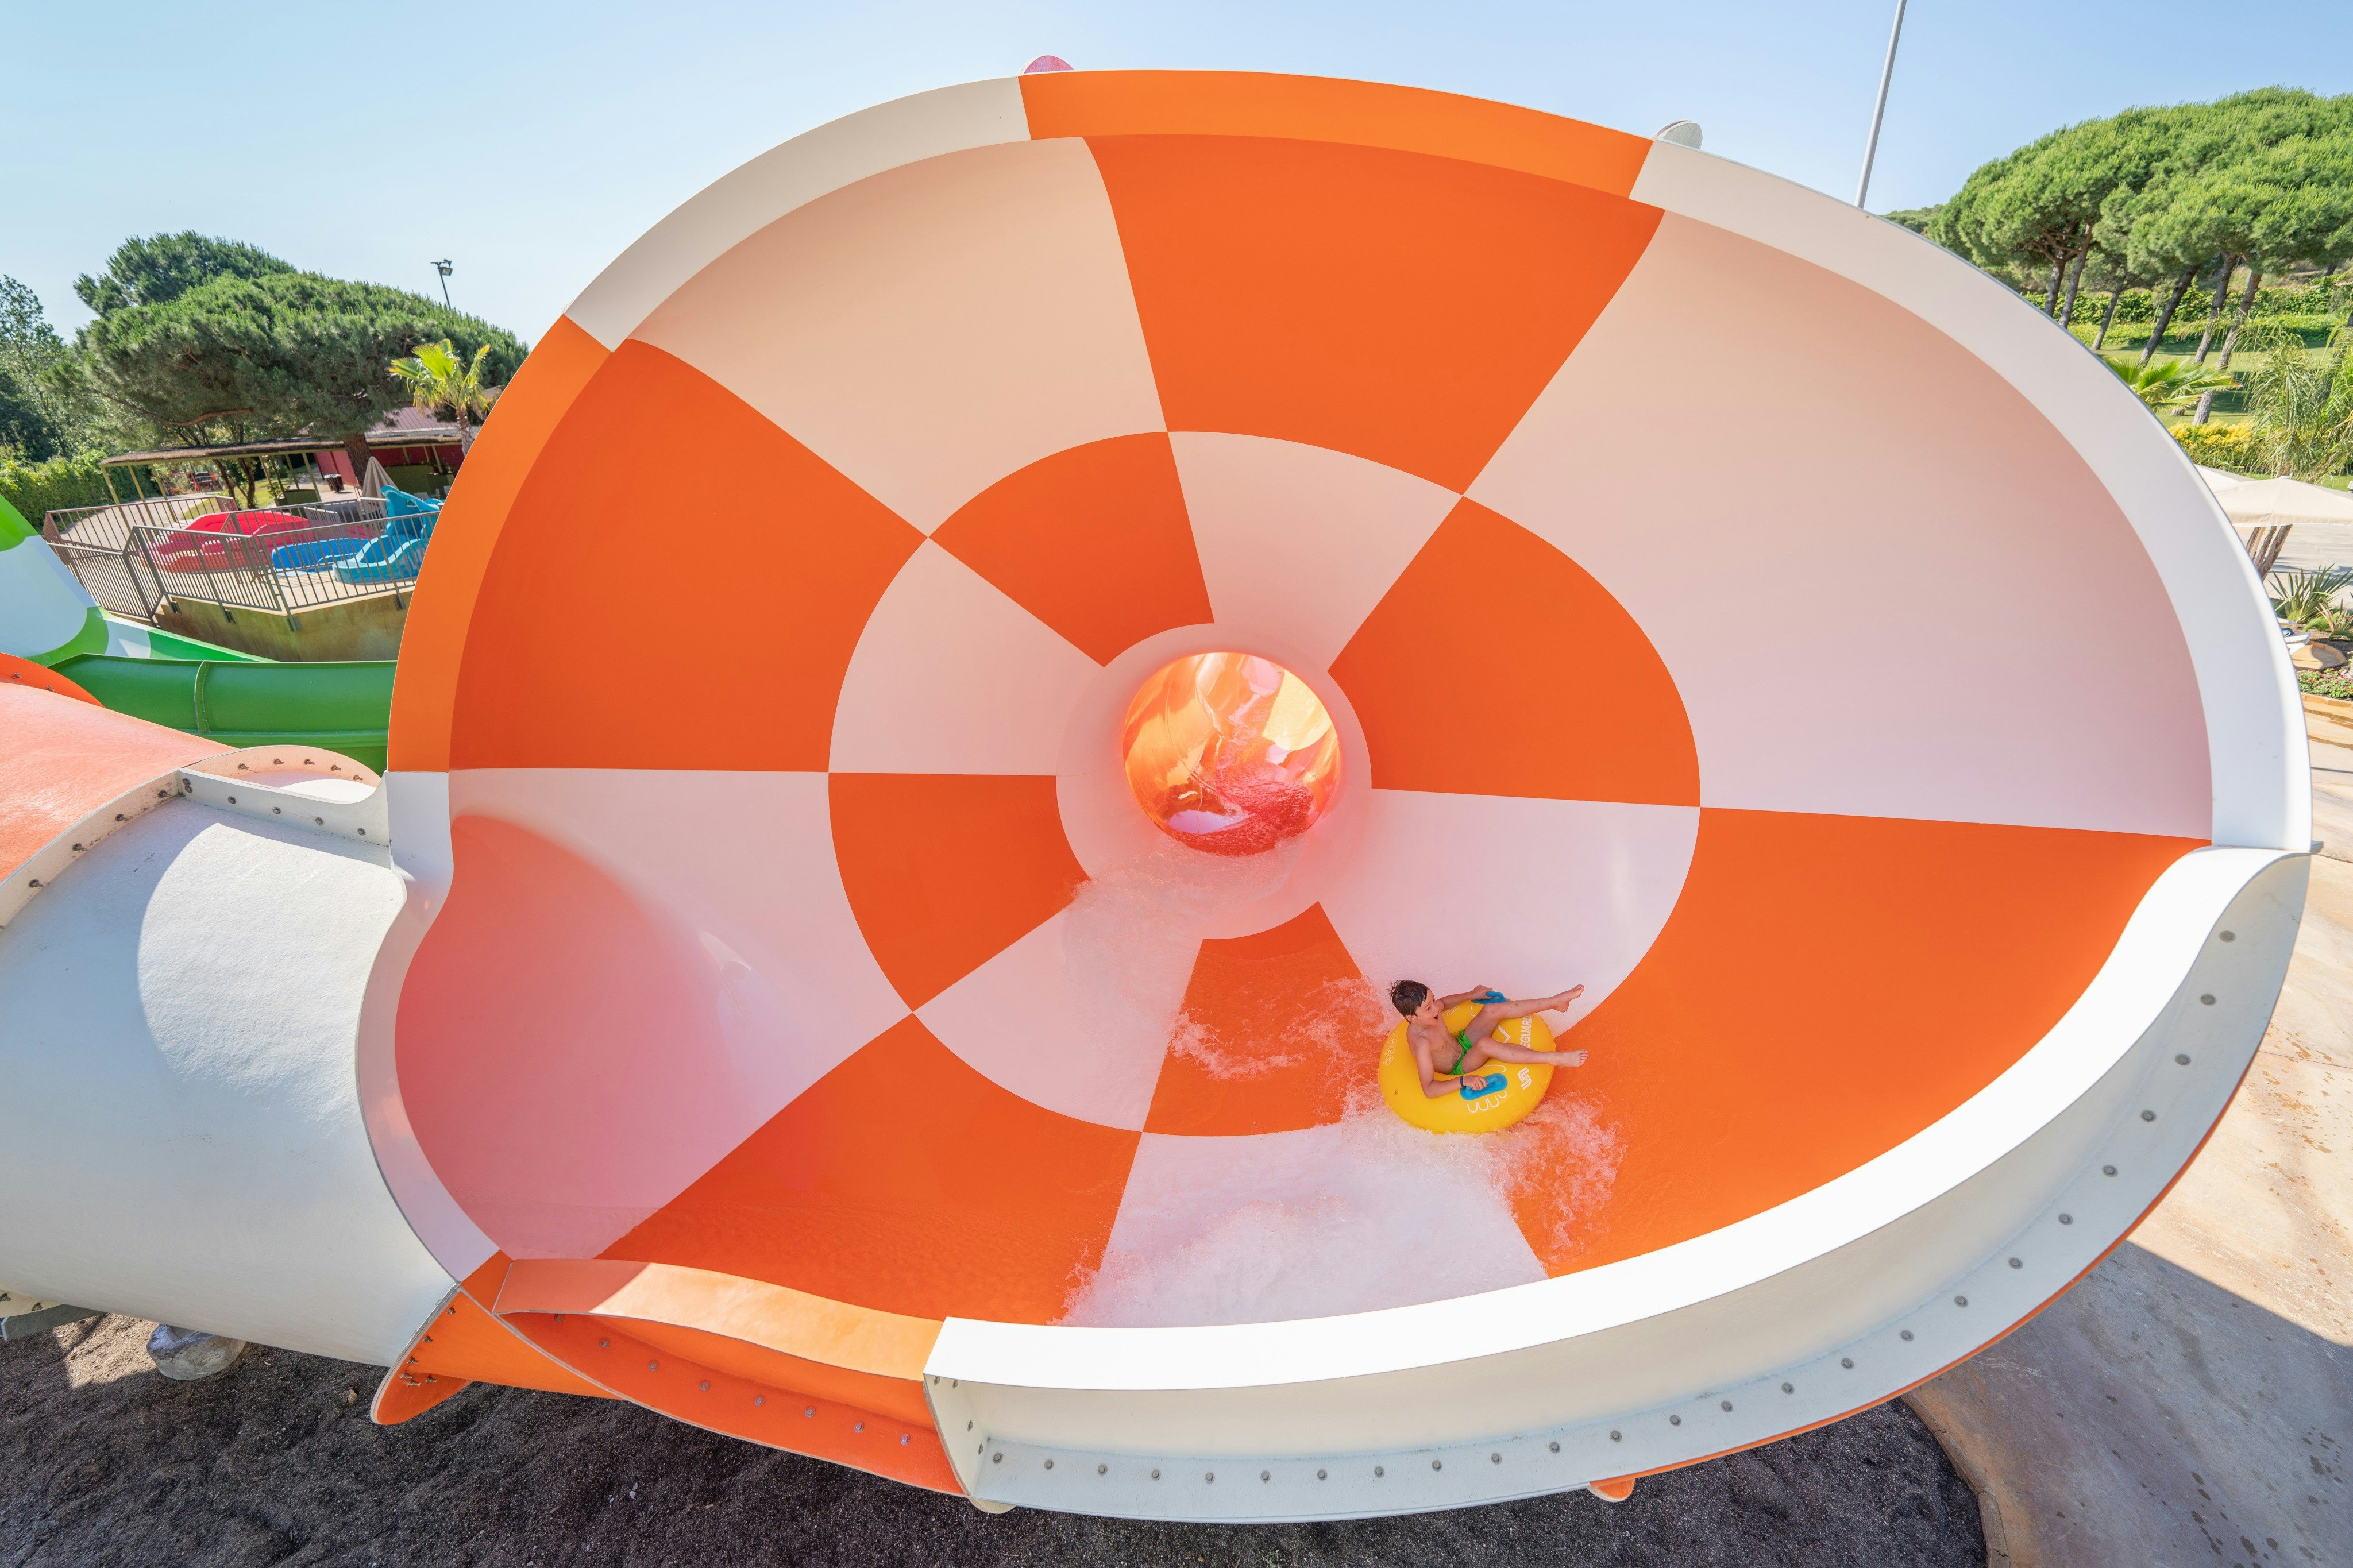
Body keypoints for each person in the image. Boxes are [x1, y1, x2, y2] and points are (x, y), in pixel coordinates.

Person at [1391, 980, 1586, 1099]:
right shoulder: (1422, 1043)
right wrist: (1463, 1081)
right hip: (1459, 1066)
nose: (1436, 1008)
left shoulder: (1432, 1012)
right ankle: (1554, 1058)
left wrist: (1471, 995)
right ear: (1411, 1017)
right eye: (1429, 1008)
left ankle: (1556, 1002)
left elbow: (1445, 1003)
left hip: (1462, 1043)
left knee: (1491, 1010)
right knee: (1485, 1045)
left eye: (1432, 1000)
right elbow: (1429, 1089)